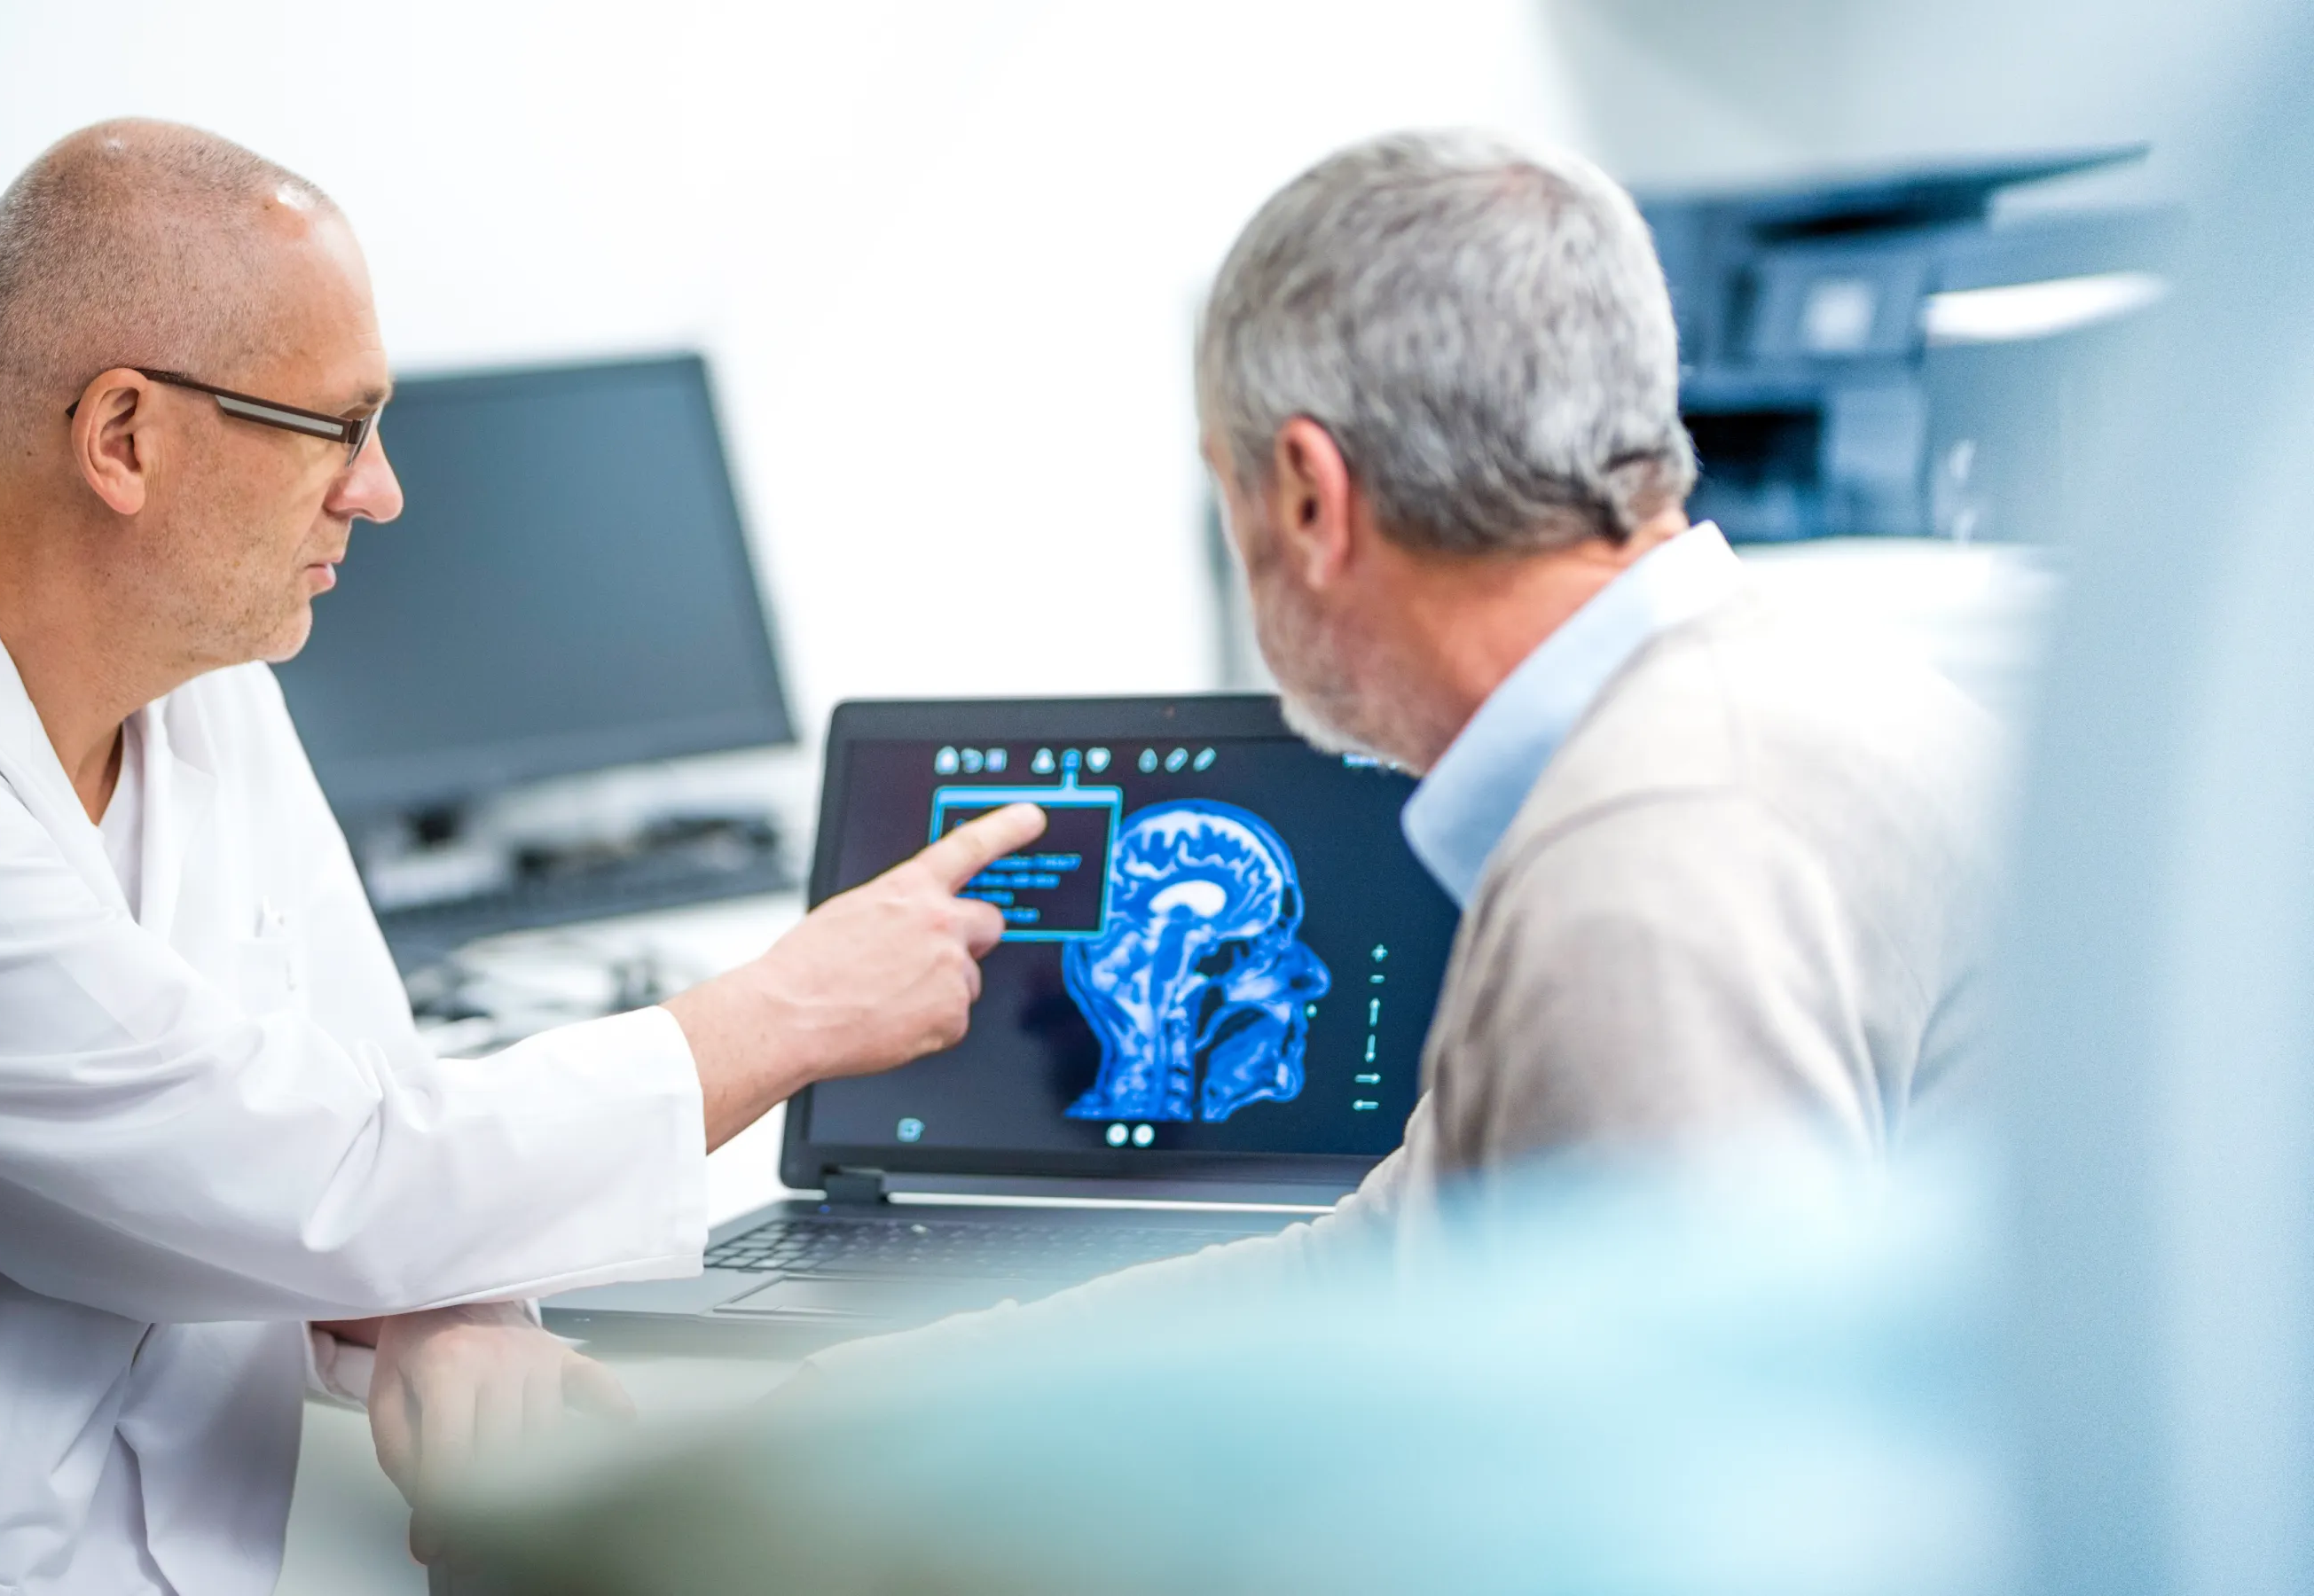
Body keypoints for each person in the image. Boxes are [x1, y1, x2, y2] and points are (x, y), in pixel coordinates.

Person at [0, 121, 1041, 1594]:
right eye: (337, 427)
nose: (382, 489)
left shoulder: (210, 689)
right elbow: (318, 1175)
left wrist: (455, 1320)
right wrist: (790, 1012)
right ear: (124, 438)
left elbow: (376, 1116)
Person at [812, 129, 1994, 1373]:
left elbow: (1683, 1494)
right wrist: (889, 1400)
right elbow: (1378, 1276)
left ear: (1310, 498)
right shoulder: (1780, 703)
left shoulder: (1649, 866)